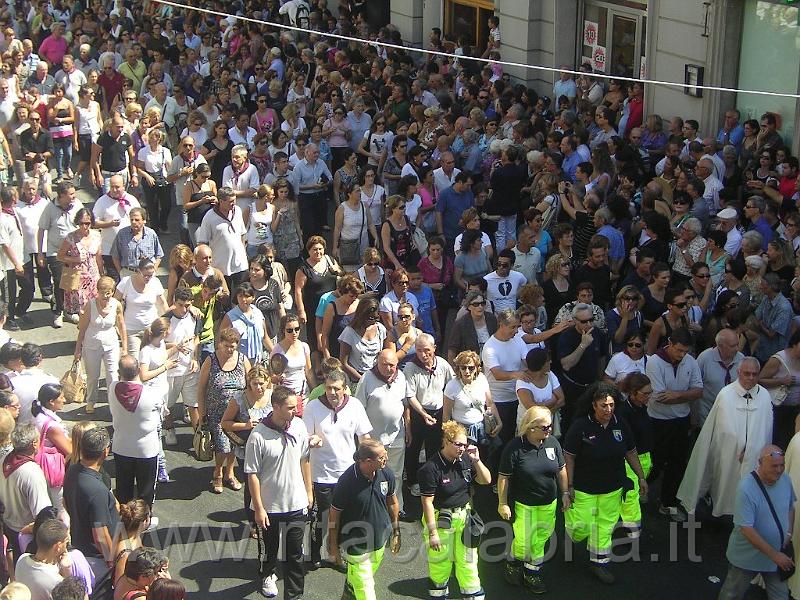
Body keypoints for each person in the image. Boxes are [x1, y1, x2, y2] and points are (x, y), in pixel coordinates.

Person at [563, 383, 648, 585]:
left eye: (611, 405)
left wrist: (641, 477)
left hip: (612, 487)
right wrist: (569, 486)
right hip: (585, 488)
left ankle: (599, 562)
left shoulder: (621, 423)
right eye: (603, 405)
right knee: (581, 526)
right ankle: (572, 534)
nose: (608, 410)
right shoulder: (580, 426)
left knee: (605, 525)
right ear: (593, 405)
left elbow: (630, 452)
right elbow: (569, 457)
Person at [678, 358, 773, 518]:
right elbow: (723, 427)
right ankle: (721, 511)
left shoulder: (764, 395)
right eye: (746, 374)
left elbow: (765, 428)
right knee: (725, 485)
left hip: (755, 456)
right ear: (738, 373)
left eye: (754, 374)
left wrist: (752, 449)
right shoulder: (726, 394)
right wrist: (738, 445)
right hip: (729, 453)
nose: (750, 378)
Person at [245, 386, 312, 600]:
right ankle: (267, 574)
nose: (296, 411)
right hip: (269, 507)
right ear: (275, 407)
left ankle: (294, 595)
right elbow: (252, 474)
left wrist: (309, 492)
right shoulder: (258, 436)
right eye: (290, 407)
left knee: (295, 555)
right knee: (269, 550)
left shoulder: (299, 426)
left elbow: (304, 459)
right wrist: (259, 508)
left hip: (296, 503)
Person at [302, 369, 372, 568]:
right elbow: (304, 437)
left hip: (348, 474)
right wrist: (311, 440)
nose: (332, 392)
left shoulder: (355, 406)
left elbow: (364, 437)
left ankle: (337, 554)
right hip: (321, 475)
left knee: (346, 517)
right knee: (323, 518)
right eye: (329, 388)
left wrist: (368, 462)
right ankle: (315, 552)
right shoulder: (313, 407)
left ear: (345, 389)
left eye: (336, 389)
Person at [498, 406, 568, 594]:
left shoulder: (553, 443)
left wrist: (565, 494)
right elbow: (504, 476)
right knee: (523, 540)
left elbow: (561, 470)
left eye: (550, 426)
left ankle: (532, 573)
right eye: (545, 427)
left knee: (540, 539)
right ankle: (513, 562)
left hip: (548, 503)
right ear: (531, 427)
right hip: (524, 505)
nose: (549, 430)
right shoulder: (515, 447)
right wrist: (502, 503)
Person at [419, 420, 490, 600]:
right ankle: (439, 594)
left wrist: (477, 461)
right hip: (441, 520)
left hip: (464, 518)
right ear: (446, 441)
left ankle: (472, 594)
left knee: (468, 560)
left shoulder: (466, 459)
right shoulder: (430, 468)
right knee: (440, 564)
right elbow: (427, 502)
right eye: (458, 444)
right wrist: (433, 532)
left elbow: (486, 480)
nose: (462, 448)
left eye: (465, 444)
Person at [717, 444, 795, 600]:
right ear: (760, 463)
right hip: (748, 558)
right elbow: (747, 529)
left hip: (775, 556)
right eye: (774, 466)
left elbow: (790, 507)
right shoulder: (746, 488)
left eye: (782, 465)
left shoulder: (785, 479)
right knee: (732, 594)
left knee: (780, 596)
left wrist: (788, 532)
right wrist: (775, 556)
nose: (779, 470)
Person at [328, 439, 401, 600]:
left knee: (357, 583)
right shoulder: (347, 481)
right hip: (355, 546)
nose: (386, 459)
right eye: (382, 457)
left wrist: (396, 531)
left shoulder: (386, 473)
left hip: (379, 542)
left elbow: (393, 502)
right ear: (368, 461)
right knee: (366, 590)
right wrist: (333, 547)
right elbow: (334, 515)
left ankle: (349, 593)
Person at [646, 327, 703, 523]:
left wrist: (678, 395)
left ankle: (668, 502)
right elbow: (660, 397)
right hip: (658, 421)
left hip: (681, 421)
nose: (682, 355)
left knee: (678, 463)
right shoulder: (654, 362)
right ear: (669, 343)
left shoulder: (690, 361)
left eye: (685, 351)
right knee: (655, 462)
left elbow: (699, 391)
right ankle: (638, 491)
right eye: (679, 350)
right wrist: (686, 396)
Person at [354, 350, 410, 515]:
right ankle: (375, 508)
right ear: (377, 362)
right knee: (373, 474)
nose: (388, 368)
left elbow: (405, 403)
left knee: (396, 474)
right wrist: (364, 439)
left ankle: (397, 507)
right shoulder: (367, 379)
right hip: (374, 440)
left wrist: (408, 427)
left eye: (392, 365)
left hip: (397, 435)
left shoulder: (401, 377)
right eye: (384, 364)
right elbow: (358, 408)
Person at [197, 327, 251, 495]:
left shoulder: (243, 360)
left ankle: (230, 472)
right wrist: (202, 412)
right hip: (216, 412)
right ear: (219, 344)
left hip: (237, 412)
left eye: (233, 346)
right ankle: (218, 472)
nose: (229, 349)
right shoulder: (211, 361)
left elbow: (250, 383)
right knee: (222, 446)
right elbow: (201, 388)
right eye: (226, 345)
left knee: (235, 444)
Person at [221, 365, 273, 533]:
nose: (258, 387)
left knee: (268, 485)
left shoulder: (273, 396)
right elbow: (225, 423)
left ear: (268, 382)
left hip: (270, 449)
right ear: (248, 383)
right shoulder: (239, 399)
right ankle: (253, 523)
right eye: (254, 384)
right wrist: (246, 425)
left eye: (262, 384)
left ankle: (269, 516)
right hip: (247, 450)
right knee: (252, 486)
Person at [63, 427, 119, 578]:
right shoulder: (97, 490)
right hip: (97, 559)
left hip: (80, 546)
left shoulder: (72, 470)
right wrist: (112, 560)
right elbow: (100, 535)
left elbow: (65, 503)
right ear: (105, 452)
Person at [403, 334, 455, 497]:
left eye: (427, 350)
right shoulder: (410, 368)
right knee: (414, 448)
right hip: (419, 412)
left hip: (439, 412)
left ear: (434, 349)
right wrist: (423, 414)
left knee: (435, 448)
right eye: (419, 351)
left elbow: (451, 384)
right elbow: (410, 396)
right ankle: (412, 481)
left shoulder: (443, 364)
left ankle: (433, 479)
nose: (423, 355)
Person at [0, 424, 50, 562]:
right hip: (26, 535)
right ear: (34, 443)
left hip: (8, 527)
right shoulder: (32, 473)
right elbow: (43, 514)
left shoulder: (4, 460)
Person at [557, 303, 608, 434]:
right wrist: (583, 345)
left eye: (591, 319)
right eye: (584, 321)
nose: (589, 324)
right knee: (571, 424)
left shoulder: (598, 333)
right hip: (572, 387)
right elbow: (566, 365)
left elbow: (601, 357)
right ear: (575, 321)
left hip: (592, 386)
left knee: (592, 423)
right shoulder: (566, 337)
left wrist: (600, 378)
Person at [481, 308, 529, 445]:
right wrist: (516, 374)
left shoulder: (518, 340)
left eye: (517, 327)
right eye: (513, 327)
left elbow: (527, 362)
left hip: (518, 397)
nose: (516, 331)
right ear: (501, 325)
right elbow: (497, 374)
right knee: (501, 441)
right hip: (499, 401)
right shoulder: (490, 347)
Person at [195, 187, 248, 291]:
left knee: (242, 294)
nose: (233, 203)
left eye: (234, 200)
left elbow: (242, 234)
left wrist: (243, 251)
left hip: (240, 264)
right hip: (221, 266)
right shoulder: (209, 217)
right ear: (221, 201)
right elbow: (202, 242)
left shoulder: (237, 211)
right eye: (230, 201)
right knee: (224, 298)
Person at [31, 383, 72, 513]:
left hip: (40, 464)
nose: (64, 400)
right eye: (62, 398)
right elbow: (69, 450)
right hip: (53, 468)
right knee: (61, 508)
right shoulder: (52, 426)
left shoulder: (38, 415)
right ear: (51, 402)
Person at [56, 208, 103, 322]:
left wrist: (102, 273)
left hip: (93, 276)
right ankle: (82, 333)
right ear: (77, 222)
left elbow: (98, 256)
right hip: (78, 277)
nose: (84, 226)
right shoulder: (71, 237)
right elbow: (59, 256)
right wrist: (74, 259)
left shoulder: (97, 236)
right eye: (81, 223)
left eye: (87, 223)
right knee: (82, 309)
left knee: (94, 307)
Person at [115, 258, 168, 356]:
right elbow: (114, 302)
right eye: (145, 275)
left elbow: (163, 304)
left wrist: (167, 323)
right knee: (134, 360)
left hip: (152, 329)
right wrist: (117, 323)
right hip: (132, 329)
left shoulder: (155, 282)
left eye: (151, 276)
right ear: (139, 272)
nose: (148, 278)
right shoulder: (126, 282)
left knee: (152, 359)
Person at [695, 328, 745, 429]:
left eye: (737, 344)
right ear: (720, 346)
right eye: (732, 346)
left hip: (731, 416)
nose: (737, 348)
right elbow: (694, 387)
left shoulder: (741, 359)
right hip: (707, 415)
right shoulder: (704, 358)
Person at [759, 331, 800, 452]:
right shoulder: (778, 359)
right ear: (795, 344)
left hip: (796, 409)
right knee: (780, 443)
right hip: (779, 409)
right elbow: (759, 380)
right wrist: (781, 381)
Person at [15, 518, 72, 600]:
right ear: (57, 546)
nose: (67, 545)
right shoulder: (55, 582)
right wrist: (67, 570)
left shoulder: (22, 560)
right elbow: (71, 596)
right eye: (66, 541)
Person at [338, 298, 388, 383]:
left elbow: (385, 352)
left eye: (377, 317)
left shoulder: (380, 329)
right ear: (362, 315)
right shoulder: (349, 332)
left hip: (377, 376)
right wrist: (363, 380)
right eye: (371, 318)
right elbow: (343, 363)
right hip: (356, 379)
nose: (374, 321)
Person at [110, 207, 164, 277]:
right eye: (131, 220)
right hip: (128, 273)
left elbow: (159, 255)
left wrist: (153, 270)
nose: (133, 222)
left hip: (147, 274)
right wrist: (121, 272)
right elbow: (115, 255)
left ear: (144, 220)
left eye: (137, 220)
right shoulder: (122, 234)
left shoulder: (151, 234)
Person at [448, 290, 498, 363]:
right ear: (468, 306)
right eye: (476, 304)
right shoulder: (460, 324)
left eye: (482, 303)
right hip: (470, 365)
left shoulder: (491, 319)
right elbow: (452, 350)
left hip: (491, 362)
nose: (480, 307)